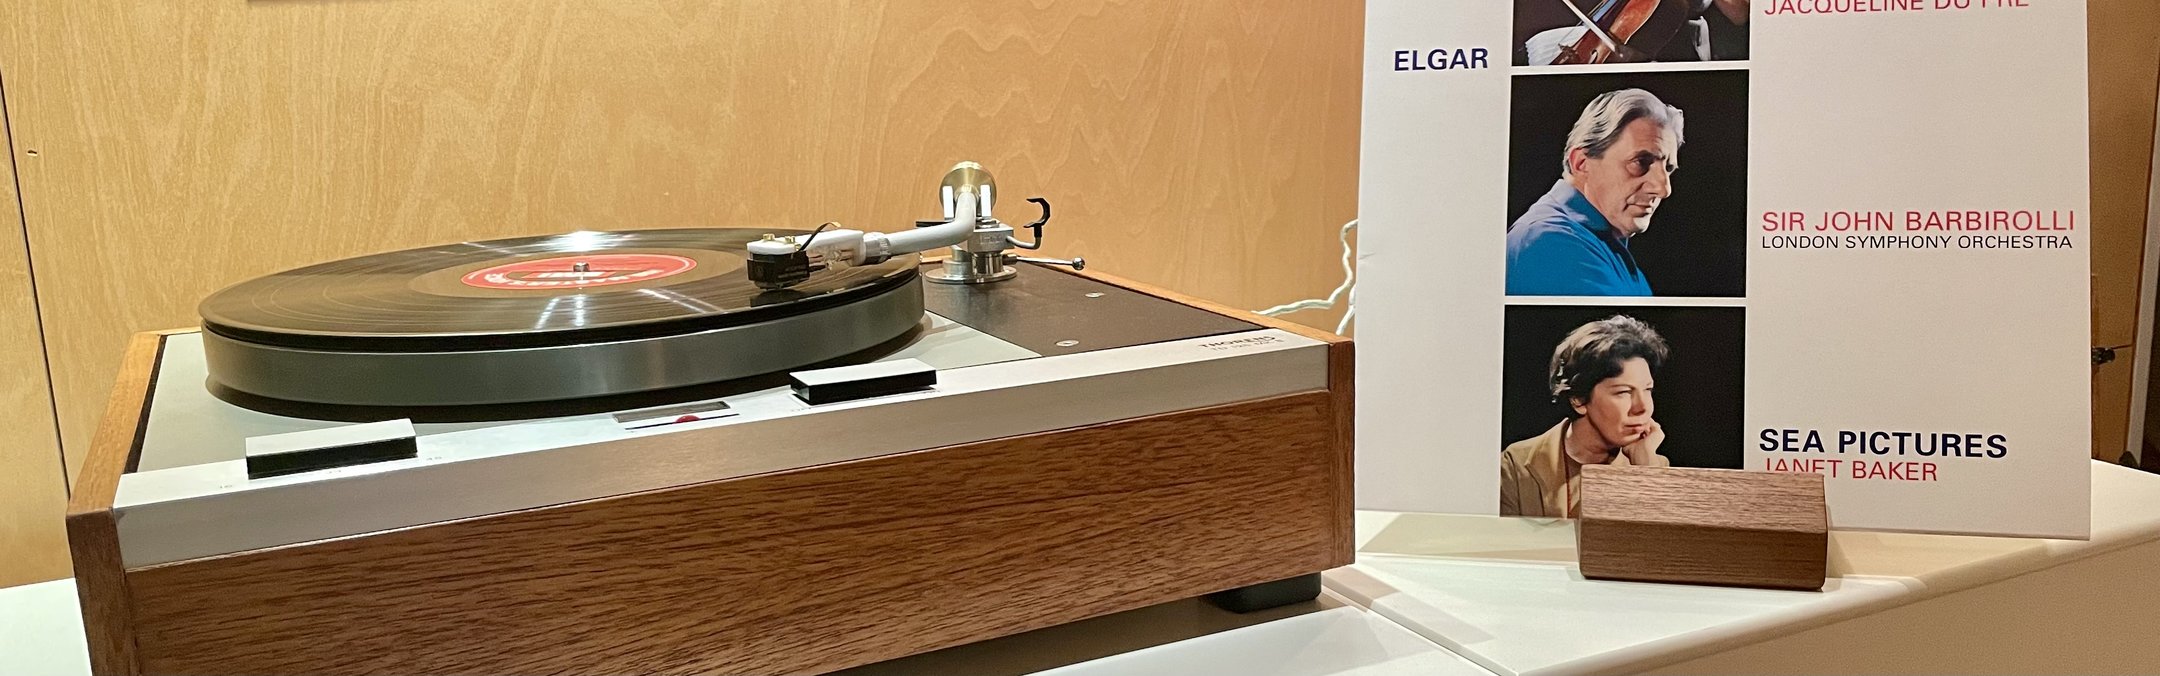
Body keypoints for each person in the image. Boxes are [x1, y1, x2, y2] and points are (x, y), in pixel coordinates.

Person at [1506, 88, 1683, 297]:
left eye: (1668, 168)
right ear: (1581, 163)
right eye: (1641, 162)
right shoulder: (1550, 243)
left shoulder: (1595, 242)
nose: (1663, 189)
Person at [1500, 315, 1671, 518]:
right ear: (1579, 400)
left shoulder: (1653, 466)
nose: (1642, 407)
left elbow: (1664, 536)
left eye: (1648, 390)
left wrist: (1645, 471)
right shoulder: (1515, 465)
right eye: (1623, 392)